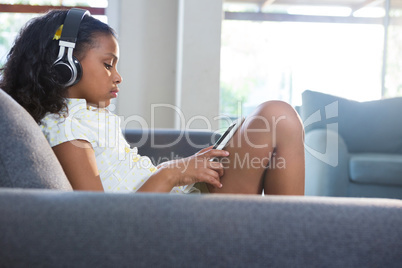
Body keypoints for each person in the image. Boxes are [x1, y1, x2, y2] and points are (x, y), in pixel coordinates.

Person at [0, 9, 305, 195]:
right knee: (277, 117)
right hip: (166, 221)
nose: (117, 77)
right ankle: (295, 240)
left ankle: (289, 235)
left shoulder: (85, 117)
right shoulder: (65, 128)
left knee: (268, 122)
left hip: (171, 201)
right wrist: (173, 172)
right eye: (108, 64)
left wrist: (186, 171)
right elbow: (96, 217)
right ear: (65, 65)